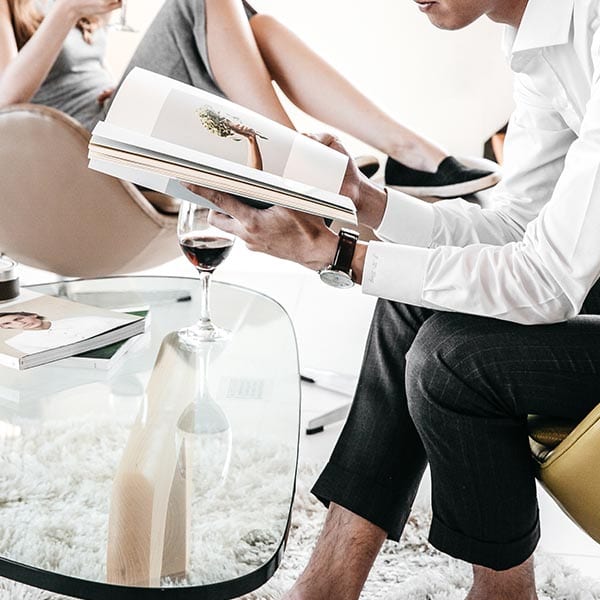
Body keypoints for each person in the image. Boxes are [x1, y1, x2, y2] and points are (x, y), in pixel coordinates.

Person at [185, 0, 600, 597]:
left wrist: (338, 255)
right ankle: (327, 585)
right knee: (410, 299)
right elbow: (515, 227)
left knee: (450, 359)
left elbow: (546, 282)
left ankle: (505, 594)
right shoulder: (534, 36)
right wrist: (364, 199)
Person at [0, 0, 498, 197]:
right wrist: (67, 12)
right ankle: (294, 160)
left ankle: (409, 152)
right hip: (80, 152)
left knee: (260, 26)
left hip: (113, 115)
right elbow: (6, 99)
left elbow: (76, 74)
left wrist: (108, 81)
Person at [0, 310, 130, 353]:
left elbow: (127, 325)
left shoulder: (82, 319)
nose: (20, 323)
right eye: (8, 324)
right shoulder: (19, 342)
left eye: (19, 318)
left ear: (32, 315)